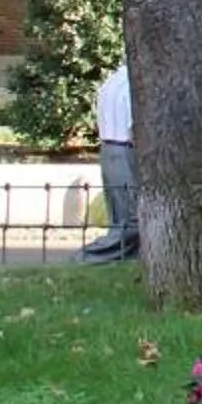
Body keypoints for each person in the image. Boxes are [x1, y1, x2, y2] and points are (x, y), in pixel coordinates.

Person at [81, 57, 138, 259]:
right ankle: (91, 256)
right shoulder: (134, 84)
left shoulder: (110, 82)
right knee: (132, 219)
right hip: (125, 150)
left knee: (119, 214)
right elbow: (134, 127)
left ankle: (128, 258)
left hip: (108, 148)